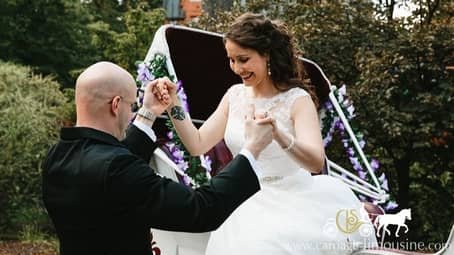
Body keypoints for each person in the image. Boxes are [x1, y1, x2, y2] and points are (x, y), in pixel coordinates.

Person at [158, 13, 378, 254]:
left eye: (244, 59)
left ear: (267, 55)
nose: (236, 68)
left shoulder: (297, 100)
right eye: (231, 60)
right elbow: (197, 144)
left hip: (295, 201)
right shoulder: (234, 95)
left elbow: (316, 162)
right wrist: (174, 106)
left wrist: (278, 134)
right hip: (243, 201)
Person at [41, 61, 275, 255]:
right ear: (115, 105)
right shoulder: (116, 168)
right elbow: (201, 210)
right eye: (132, 105)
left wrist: (148, 112)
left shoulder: (57, 156)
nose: (133, 111)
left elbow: (110, 165)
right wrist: (252, 148)